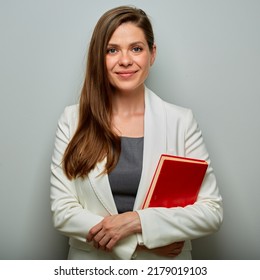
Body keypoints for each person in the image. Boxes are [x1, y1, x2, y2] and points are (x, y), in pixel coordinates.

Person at [50, 5, 223, 260]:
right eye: (112, 50)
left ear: (152, 54)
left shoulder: (181, 122)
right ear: (99, 57)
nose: (125, 60)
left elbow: (210, 212)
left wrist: (135, 221)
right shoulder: (72, 120)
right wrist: (138, 243)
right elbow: (63, 213)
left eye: (136, 48)